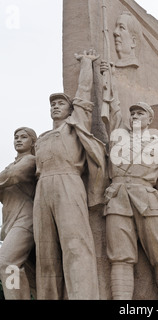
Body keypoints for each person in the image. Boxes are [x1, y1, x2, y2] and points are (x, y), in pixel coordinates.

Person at [100, 61, 158, 300]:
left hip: (147, 199)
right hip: (117, 198)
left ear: (149, 119)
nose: (134, 116)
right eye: (132, 113)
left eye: (139, 113)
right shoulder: (117, 138)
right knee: (120, 257)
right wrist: (107, 75)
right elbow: (112, 106)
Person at [33, 49, 107, 300]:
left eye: (60, 103)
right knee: (45, 251)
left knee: (76, 244)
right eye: (52, 104)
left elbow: (84, 95)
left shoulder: (76, 125)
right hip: (43, 187)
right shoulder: (41, 139)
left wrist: (86, 63)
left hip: (68, 181)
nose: (55, 106)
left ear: (70, 108)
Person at [0, 127, 37, 299]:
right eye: (16, 137)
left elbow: (14, 175)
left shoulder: (30, 160)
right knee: (20, 269)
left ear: (32, 142)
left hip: (25, 220)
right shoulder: (10, 166)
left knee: (6, 262)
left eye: (24, 137)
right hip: (10, 221)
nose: (18, 140)